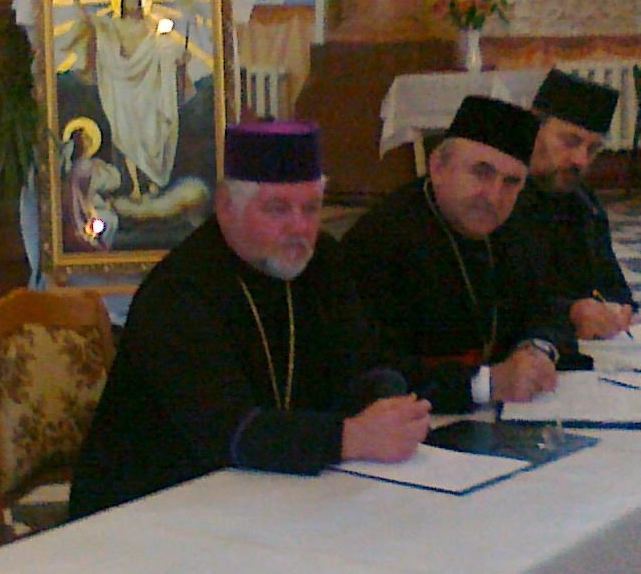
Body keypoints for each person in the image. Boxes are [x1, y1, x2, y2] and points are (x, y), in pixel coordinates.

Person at [68, 120, 429, 519]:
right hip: (148, 511)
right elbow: (229, 433)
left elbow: (362, 362)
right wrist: (351, 438)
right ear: (226, 206)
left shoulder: (322, 262)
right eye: (278, 209)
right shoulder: (179, 291)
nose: (300, 228)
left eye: (311, 208)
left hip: (270, 496)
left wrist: (386, 401)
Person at [341, 96, 572, 412]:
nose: (494, 196)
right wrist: (484, 383)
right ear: (438, 167)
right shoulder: (379, 240)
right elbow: (366, 368)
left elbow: (549, 307)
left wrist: (538, 349)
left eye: (511, 182)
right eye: (481, 173)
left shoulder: (516, 228)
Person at [504, 69, 638, 341]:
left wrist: (620, 311)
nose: (581, 161)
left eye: (592, 149)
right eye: (570, 142)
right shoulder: (497, 198)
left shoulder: (584, 204)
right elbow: (495, 303)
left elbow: (614, 288)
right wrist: (569, 314)